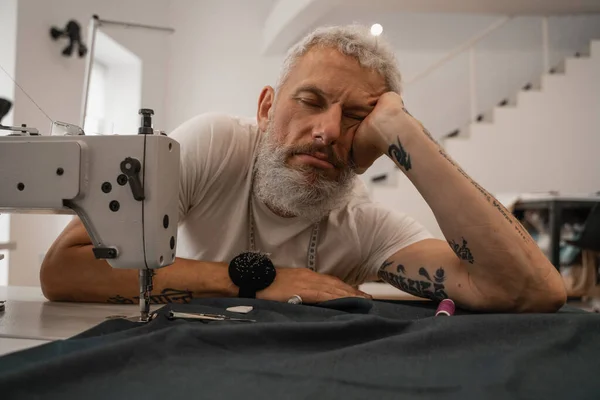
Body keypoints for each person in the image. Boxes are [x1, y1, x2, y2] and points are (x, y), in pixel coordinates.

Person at [41, 25, 566, 312]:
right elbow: (63, 269)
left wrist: (409, 137)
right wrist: (253, 281)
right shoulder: (213, 145)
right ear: (267, 107)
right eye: (311, 101)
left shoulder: (365, 227)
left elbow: (528, 290)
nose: (329, 131)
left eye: (357, 118)